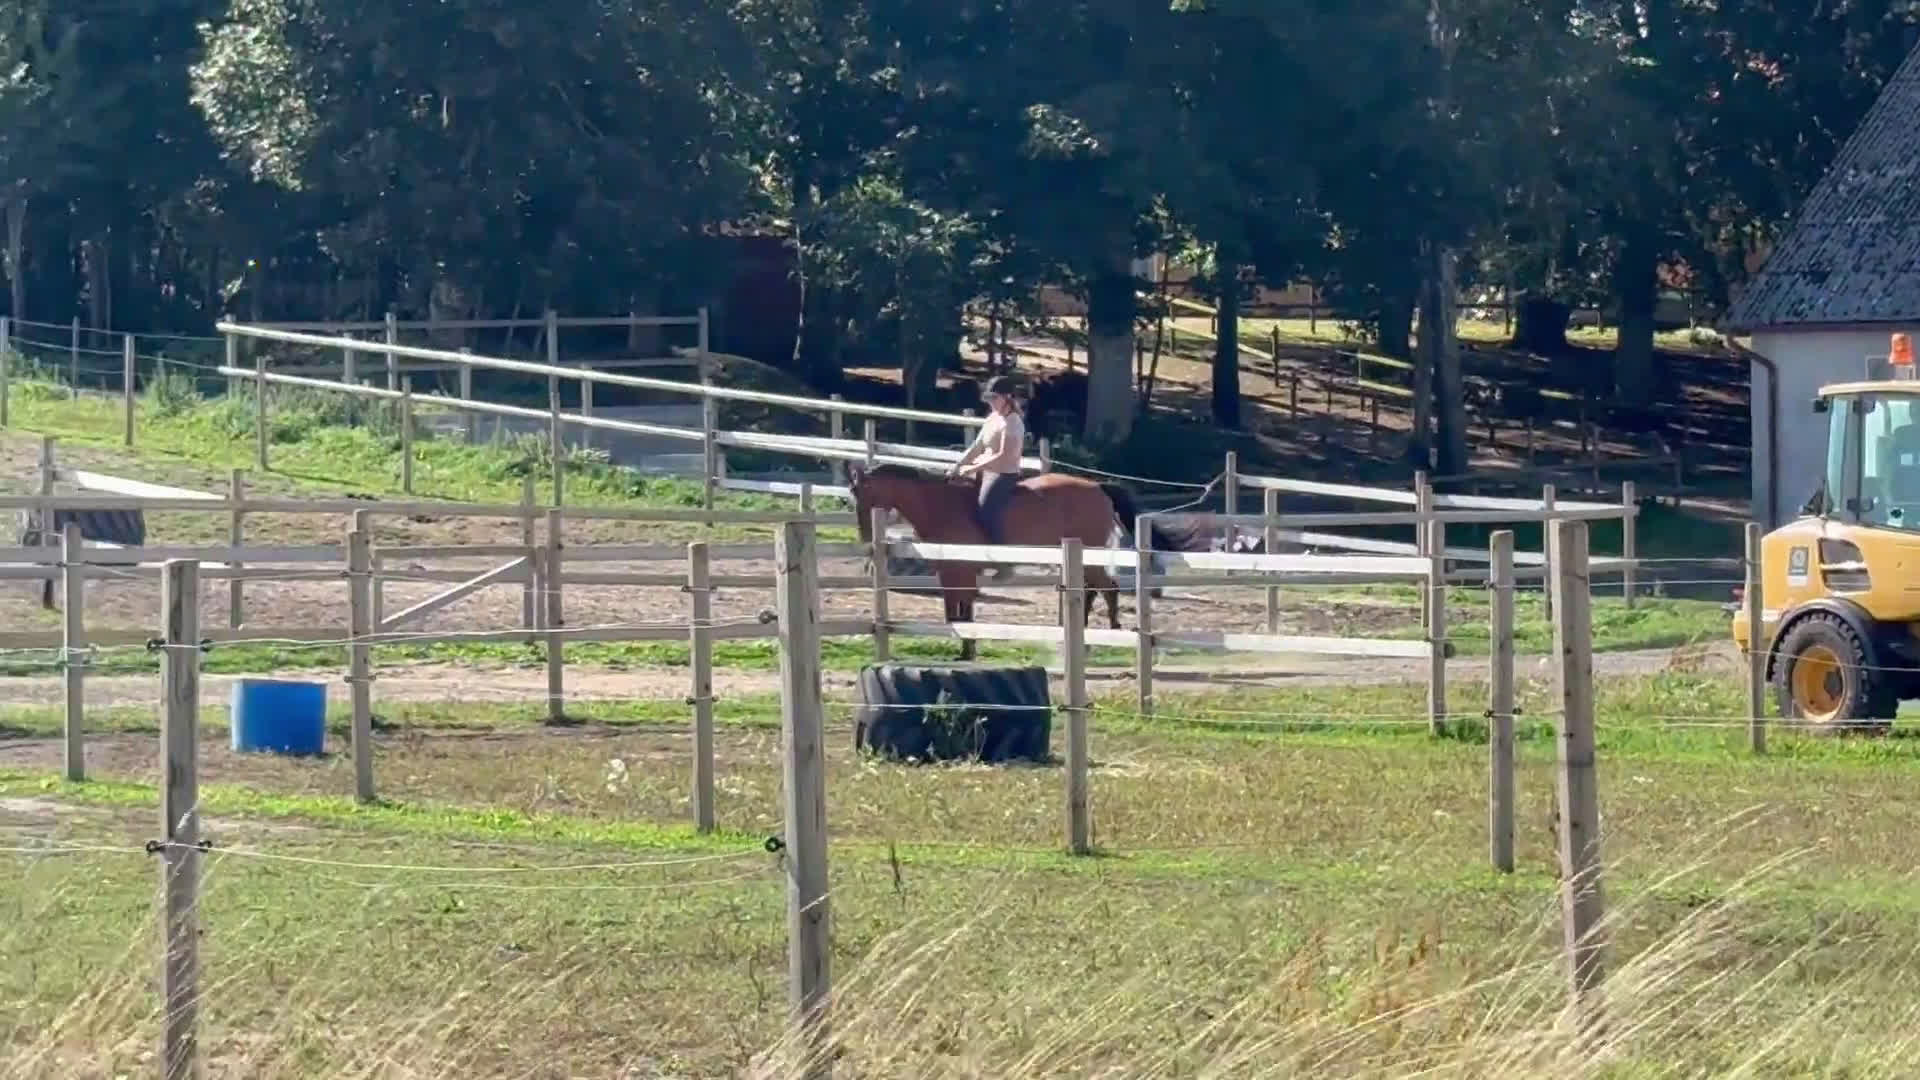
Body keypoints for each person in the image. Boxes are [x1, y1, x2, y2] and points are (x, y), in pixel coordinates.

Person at [948, 375, 1026, 579]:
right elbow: (976, 447)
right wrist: (958, 466)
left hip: (1003, 474)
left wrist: (971, 469)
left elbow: (1003, 455)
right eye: (989, 398)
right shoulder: (992, 418)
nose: (991, 402)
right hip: (983, 470)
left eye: (995, 398)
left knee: (986, 510)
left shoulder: (1012, 423)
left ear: (1008, 397)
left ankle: (1004, 564)